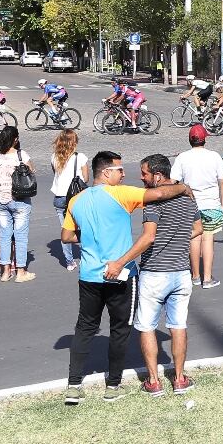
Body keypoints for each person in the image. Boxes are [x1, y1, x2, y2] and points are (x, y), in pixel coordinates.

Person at [60, 151, 193, 404]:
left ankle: (74, 386)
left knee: (85, 327)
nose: (124, 175)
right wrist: (183, 186)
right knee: (120, 330)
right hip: (122, 274)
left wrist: (88, 237)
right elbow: (159, 193)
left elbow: (66, 237)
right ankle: (113, 386)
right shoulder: (120, 193)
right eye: (120, 170)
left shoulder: (76, 200)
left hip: (89, 274)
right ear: (106, 172)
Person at [125, 154, 202, 395]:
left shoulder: (154, 202)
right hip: (181, 272)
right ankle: (179, 379)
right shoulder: (189, 198)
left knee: (147, 326)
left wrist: (122, 261)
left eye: (145, 174)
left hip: (154, 273)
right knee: (178, 325)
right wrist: (178, 241)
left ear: (158, 176)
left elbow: (149, 237)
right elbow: (199, 228)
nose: (141, 177)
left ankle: (154, 381)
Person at [170, 124, 223, 289]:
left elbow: (173, 180)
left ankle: (195, 276)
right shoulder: (214, 156)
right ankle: (207, 278)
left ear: (190, 140)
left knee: (194, 238)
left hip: (190, 204)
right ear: (204, 140)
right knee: (208, 238)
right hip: (211, 204)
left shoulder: (182, 157)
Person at [0, 126, 35, 282]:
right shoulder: (21, 155)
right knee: (20, 236)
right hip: (19, 201)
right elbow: (31, 173)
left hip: (0, 201)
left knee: (4, 236)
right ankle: (20, 271)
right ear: (15, 139)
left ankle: (5, 271)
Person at [49, 129, 87, 272]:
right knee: (83, 228)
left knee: (66, 230)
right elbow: (86, 178)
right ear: (74, 142)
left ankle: (69, 262)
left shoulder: (54, 157)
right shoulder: (80, 157)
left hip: (59, 197)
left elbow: (56, 175)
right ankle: (87, 258)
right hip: (76, 197)